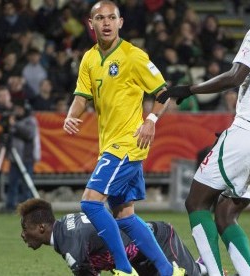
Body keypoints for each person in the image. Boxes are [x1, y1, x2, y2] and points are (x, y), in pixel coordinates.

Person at [156, 1, 250, 275]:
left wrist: (189, 89)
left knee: (196, 202)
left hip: (249, 131)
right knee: (226, 215)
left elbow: (235, 77)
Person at [62, 1, 183, 276]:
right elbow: (82, 95)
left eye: (111, 18)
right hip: (111, 144)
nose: (106, 23)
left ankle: (124, 269)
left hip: (127, 143)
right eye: (100, 18)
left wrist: (151, 120)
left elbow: (163, 91)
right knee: (124, 216)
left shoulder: (133, 55)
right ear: (90, 23)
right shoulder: (89, 58)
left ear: (121, 22)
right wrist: (71, 115)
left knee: (90, 202)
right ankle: (168, 271)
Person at [17, 198, 205, 276]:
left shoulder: (69, 243)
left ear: (41, 228)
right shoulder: (65, 227)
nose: (23, 235)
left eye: (25, 228)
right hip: (140, 261)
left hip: (159, 243)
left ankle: (206, 268)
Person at [5, 100, 41, 212]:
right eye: (16, 109)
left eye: (20, 109)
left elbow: (29, 134)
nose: (18, 111)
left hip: (26, 158)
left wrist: (14, 125)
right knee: (12, 184)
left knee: (27, 185)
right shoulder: (14, 121)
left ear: (25, 109)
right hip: (15, 158)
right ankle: (10, 206)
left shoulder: (30, 120)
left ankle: (28, 209)